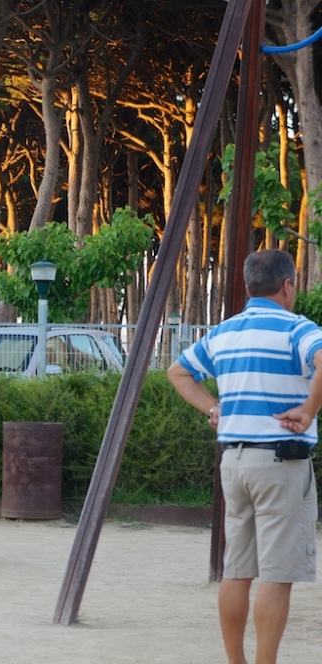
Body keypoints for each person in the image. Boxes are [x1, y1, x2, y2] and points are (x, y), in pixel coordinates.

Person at [167, 249, 321, 664]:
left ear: (249, 287)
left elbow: (178, 372)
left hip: (233, 463)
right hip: (281, 462)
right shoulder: (297, 328)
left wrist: (213, 408)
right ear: (287, 286)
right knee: (277, 574)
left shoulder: (223, 333)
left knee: (237, 570)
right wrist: (309, 410)